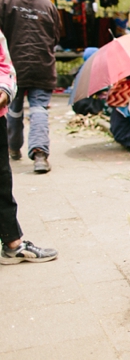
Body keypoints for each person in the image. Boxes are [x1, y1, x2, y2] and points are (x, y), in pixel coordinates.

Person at [0, 28, 58, 264]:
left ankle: (13, 242)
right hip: (41, 73)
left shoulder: (5, 5)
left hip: (21, 83)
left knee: (1, 179)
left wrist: (3, 91)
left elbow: (4, 67)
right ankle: (38, 154)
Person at [0, 0, 61, 174]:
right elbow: (56, 36)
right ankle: (40, 155)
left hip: (11, 68)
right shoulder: (48, 4)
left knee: (12, 109)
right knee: (39, 109)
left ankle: (13, 147)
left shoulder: (4, 0)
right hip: (42, 66)